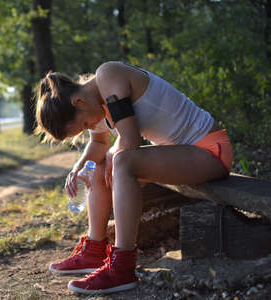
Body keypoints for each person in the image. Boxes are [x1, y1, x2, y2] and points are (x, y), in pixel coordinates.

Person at [34, 61, 233, 294]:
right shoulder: (93, 100)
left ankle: (122, 267)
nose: (91, 126)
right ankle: (94, 250)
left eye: (85, 124)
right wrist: (79, 167)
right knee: (98, 166)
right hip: (182, 155)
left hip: (209, 151)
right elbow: (99, 143)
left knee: (121, 162)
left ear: (78, 102)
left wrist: (109, 157)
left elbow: (129, 141)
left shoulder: (108, 75)